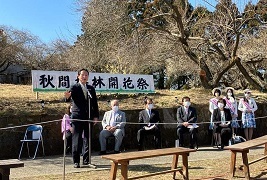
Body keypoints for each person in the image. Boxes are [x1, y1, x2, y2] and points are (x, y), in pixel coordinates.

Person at [64, 68, 99, 168]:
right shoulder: (74, 87)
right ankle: (76, 161)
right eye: (82, 75)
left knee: (88, 139)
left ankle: (86, 160)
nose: (84, 77)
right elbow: (68, 98)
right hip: (77, 117)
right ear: (78, 76)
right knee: (77, 139)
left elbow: (95, 104)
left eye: (86, 75)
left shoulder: (91, 88)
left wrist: (96, 116)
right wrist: (66, 97)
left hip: (88, 117)